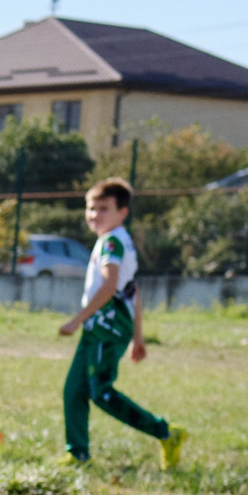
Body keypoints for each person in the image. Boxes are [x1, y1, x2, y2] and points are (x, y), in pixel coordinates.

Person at [59, 178, 186, 468]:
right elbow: (133, 290)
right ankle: (77, 453)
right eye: (91, 208)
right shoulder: (116, 240)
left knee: (101, 393)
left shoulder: (113, 242)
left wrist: (77, 320)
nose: (94, 215)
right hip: (102, 328)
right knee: (74, 390)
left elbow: (110, 285)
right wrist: (138, 338)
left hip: (106, 327)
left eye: (103, 209)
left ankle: (166, 432)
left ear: (122, 212)